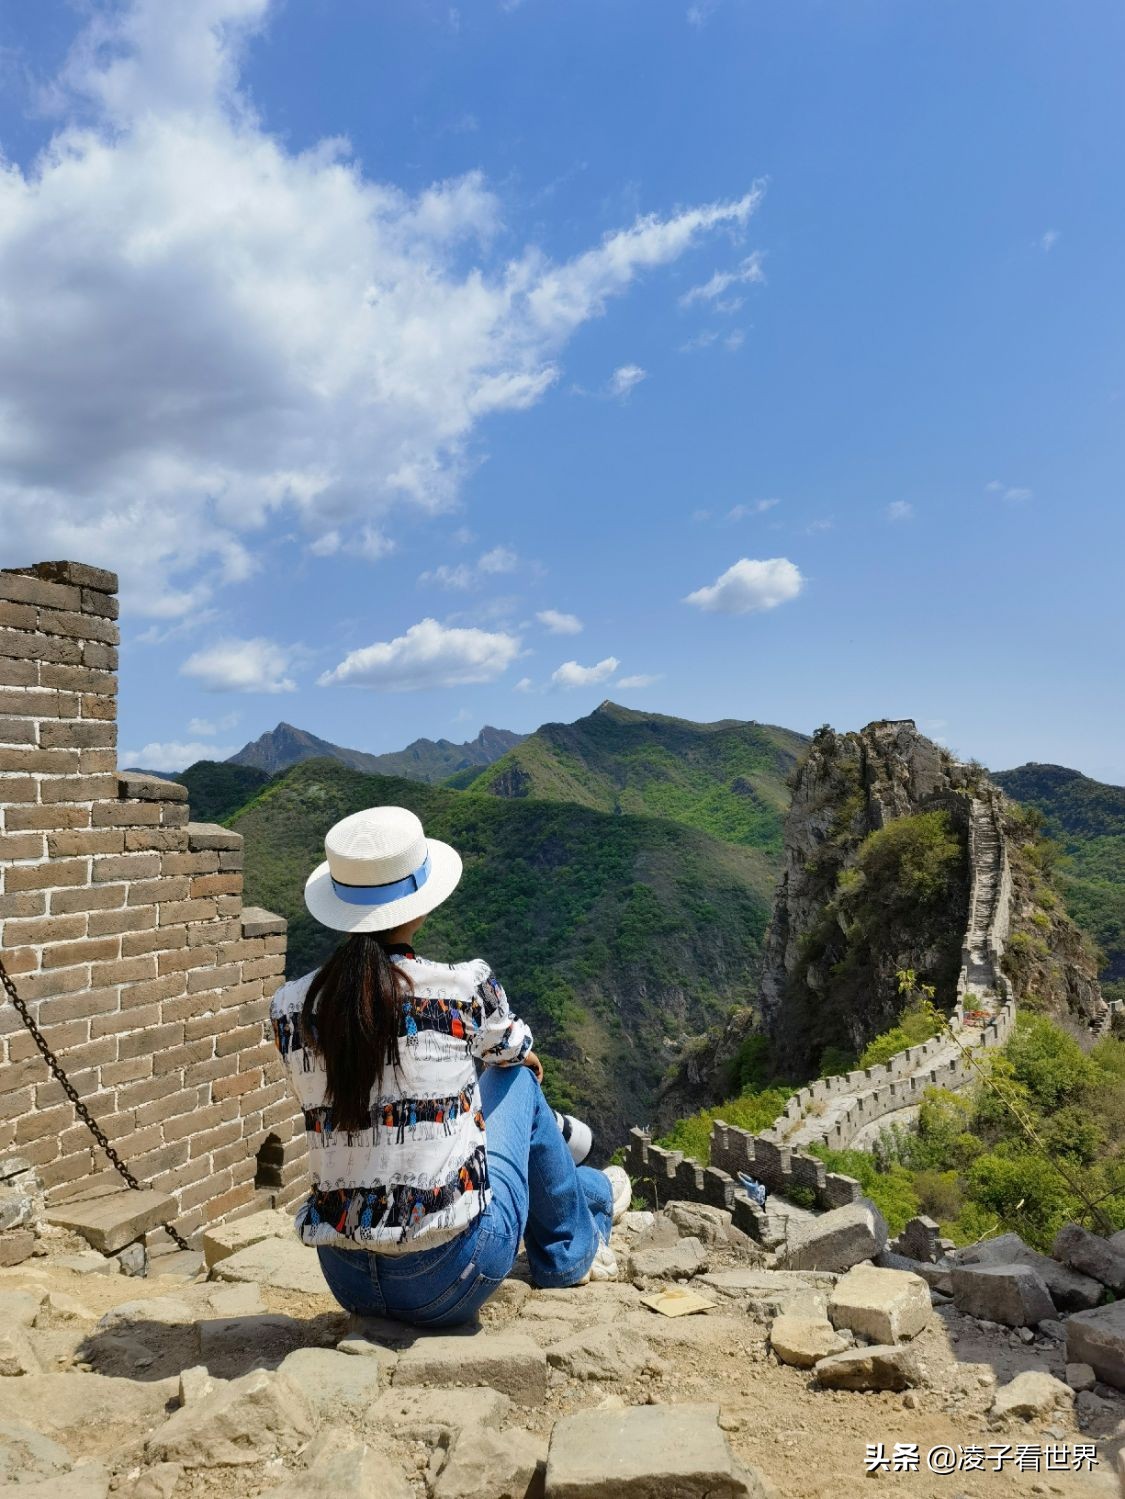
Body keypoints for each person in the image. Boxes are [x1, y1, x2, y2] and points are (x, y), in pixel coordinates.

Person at [269, 804, 629, 1327]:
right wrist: (514, 1057)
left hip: (346, 1279)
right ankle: (570, 1249)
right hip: (449, 1277)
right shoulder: (463, 989)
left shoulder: (289, 1008)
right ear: (421, 904)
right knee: (516, 1078)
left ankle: (593, 1189)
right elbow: (515, 1046)